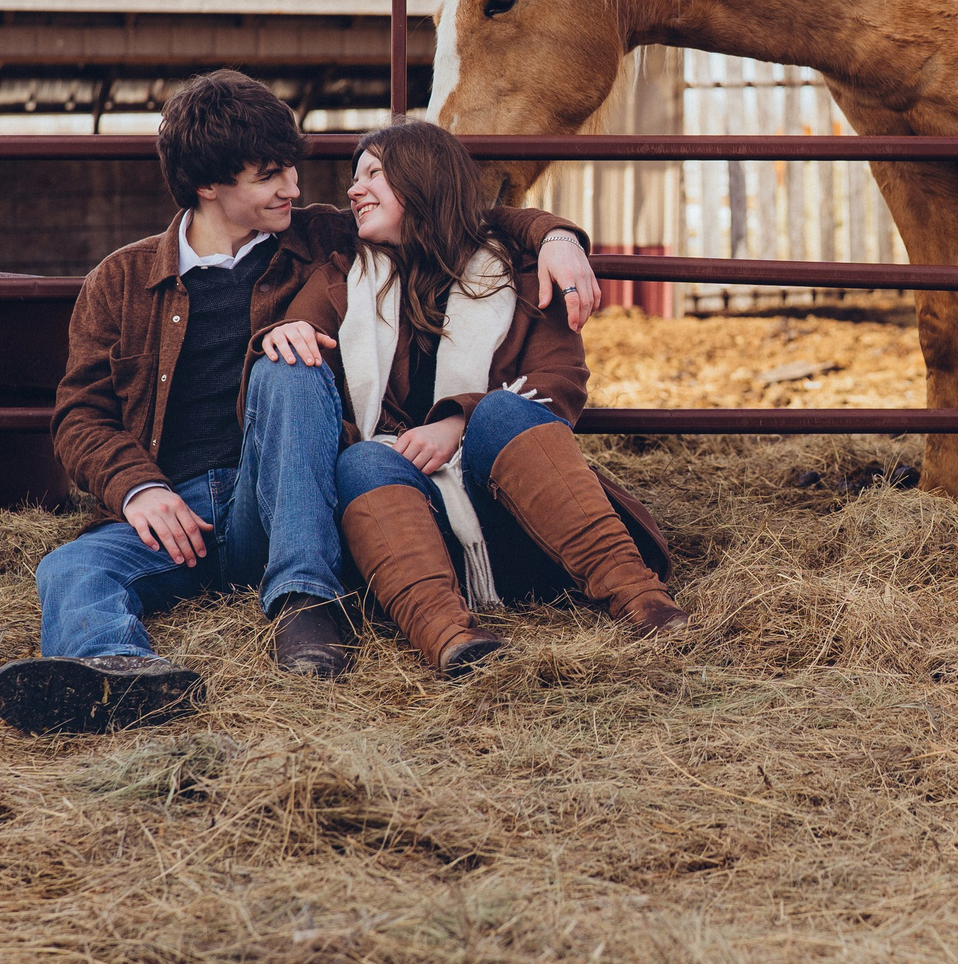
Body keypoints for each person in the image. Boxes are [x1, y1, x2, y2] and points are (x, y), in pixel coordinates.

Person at [0, 70, 597, 734]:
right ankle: (119, 675)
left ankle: (306, 599)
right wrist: (139, 491)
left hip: (280, 497)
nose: (295, 188)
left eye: (292, 169)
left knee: (288, 363)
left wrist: (558, 237)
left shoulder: (322, 239)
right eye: (270, 175)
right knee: (72, 564)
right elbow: (81, 415)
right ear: (208, 186)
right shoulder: (122, 280)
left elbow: (451, 211)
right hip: (179, 510)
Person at [256, 119, 685, 675]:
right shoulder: (341, 277)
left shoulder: (521, 273)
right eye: (354, 178)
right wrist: (282, 334)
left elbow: (557, 389)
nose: (353, 189)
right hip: (411, 538)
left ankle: (641, 599)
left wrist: (458, 422)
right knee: (363, 458)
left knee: (507, 409)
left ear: (422, 181)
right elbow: (309, 402)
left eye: (374, 175)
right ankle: (451, 637)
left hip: (527, 525)